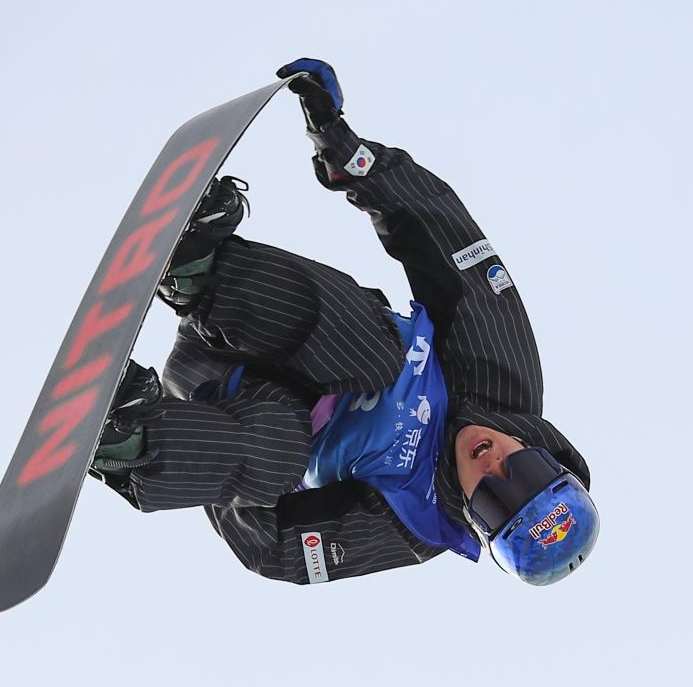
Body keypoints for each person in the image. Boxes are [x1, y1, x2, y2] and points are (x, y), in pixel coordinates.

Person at [88, 59, 599, 586]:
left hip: (230, 401)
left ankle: (129, 436)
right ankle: (200, 270)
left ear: (476, 520)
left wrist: (181, 458)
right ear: (546, 457)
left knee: (281, 444)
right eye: (526, 472)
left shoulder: (416, 524)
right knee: (379, 356)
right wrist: (344, 149)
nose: (494, 465)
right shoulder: (501, 378)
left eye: (493, 499)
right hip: (260, 321)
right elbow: (443, 236)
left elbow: (275, 550)